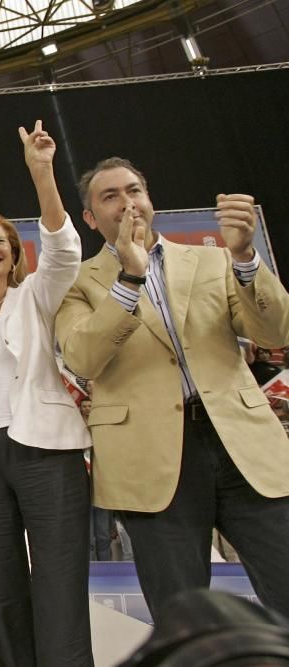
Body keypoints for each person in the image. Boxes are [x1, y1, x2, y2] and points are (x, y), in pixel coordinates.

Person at [55, 157, 289, 621]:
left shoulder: (215, 258)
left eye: (134, 190)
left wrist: (245, 259)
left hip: (242, 446)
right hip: (150, 462)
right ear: (89, 218)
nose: (128, 203)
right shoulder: (77, 283)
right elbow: (82, 357)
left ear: (149, 199)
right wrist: (130, 278)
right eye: (111, 196)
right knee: (182, 617)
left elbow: (275, 332)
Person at [0, 121, 92, 665]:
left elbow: (63, 251)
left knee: (57, 583)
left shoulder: (37, 295)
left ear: (13, 255)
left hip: (43, 452)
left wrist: (41, 171)